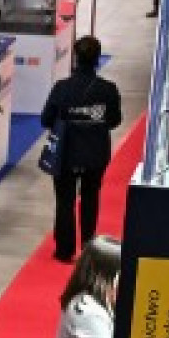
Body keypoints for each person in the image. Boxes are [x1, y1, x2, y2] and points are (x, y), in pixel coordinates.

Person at [39, 36, 122, 264]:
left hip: (65, 153)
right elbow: (115, 120)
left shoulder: (62, 88)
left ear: (75, 58)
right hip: (96, 153)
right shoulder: (108, 89)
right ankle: (88, 246)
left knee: (65, 200)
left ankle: (64, 249)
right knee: (90, 198)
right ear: (97, 58)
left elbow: (46, 119)